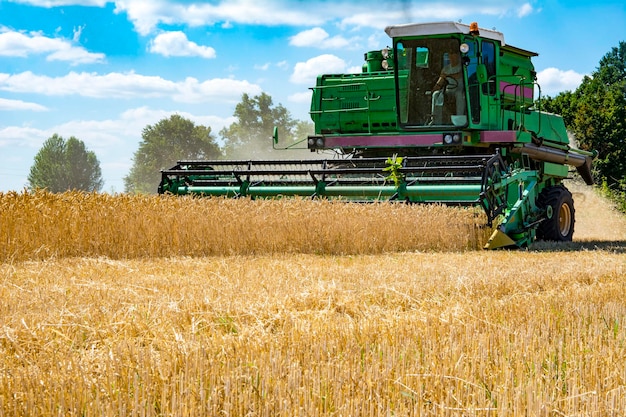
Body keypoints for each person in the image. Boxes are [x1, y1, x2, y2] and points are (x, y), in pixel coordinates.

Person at [430, 52, 465, 124]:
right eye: (450, 56)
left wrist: (447, 75)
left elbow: (459, 75)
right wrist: (433, 90)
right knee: (436, 94)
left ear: (458, 57)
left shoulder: (462, 67)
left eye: (454, 56)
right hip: (448, 90)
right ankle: (435, 120)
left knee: (459, 94)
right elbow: (440, 81)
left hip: (460, 89)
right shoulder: (445, 69)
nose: (452, 58)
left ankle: (459, 118)